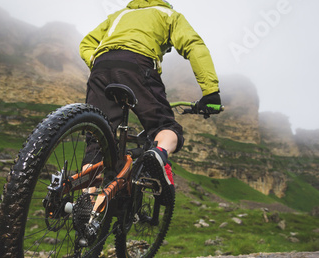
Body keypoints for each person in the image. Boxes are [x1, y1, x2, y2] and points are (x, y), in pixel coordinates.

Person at [80, 0, 220, 203]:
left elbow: (86, 43)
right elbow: (193, 45)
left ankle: (88, 198)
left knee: (99, 136)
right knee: (165, 126)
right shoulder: (168, 15)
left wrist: (96, 62)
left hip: (101, 68)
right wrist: (210, 92)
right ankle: (158, 153)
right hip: (137, 65)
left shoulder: (118, 15)